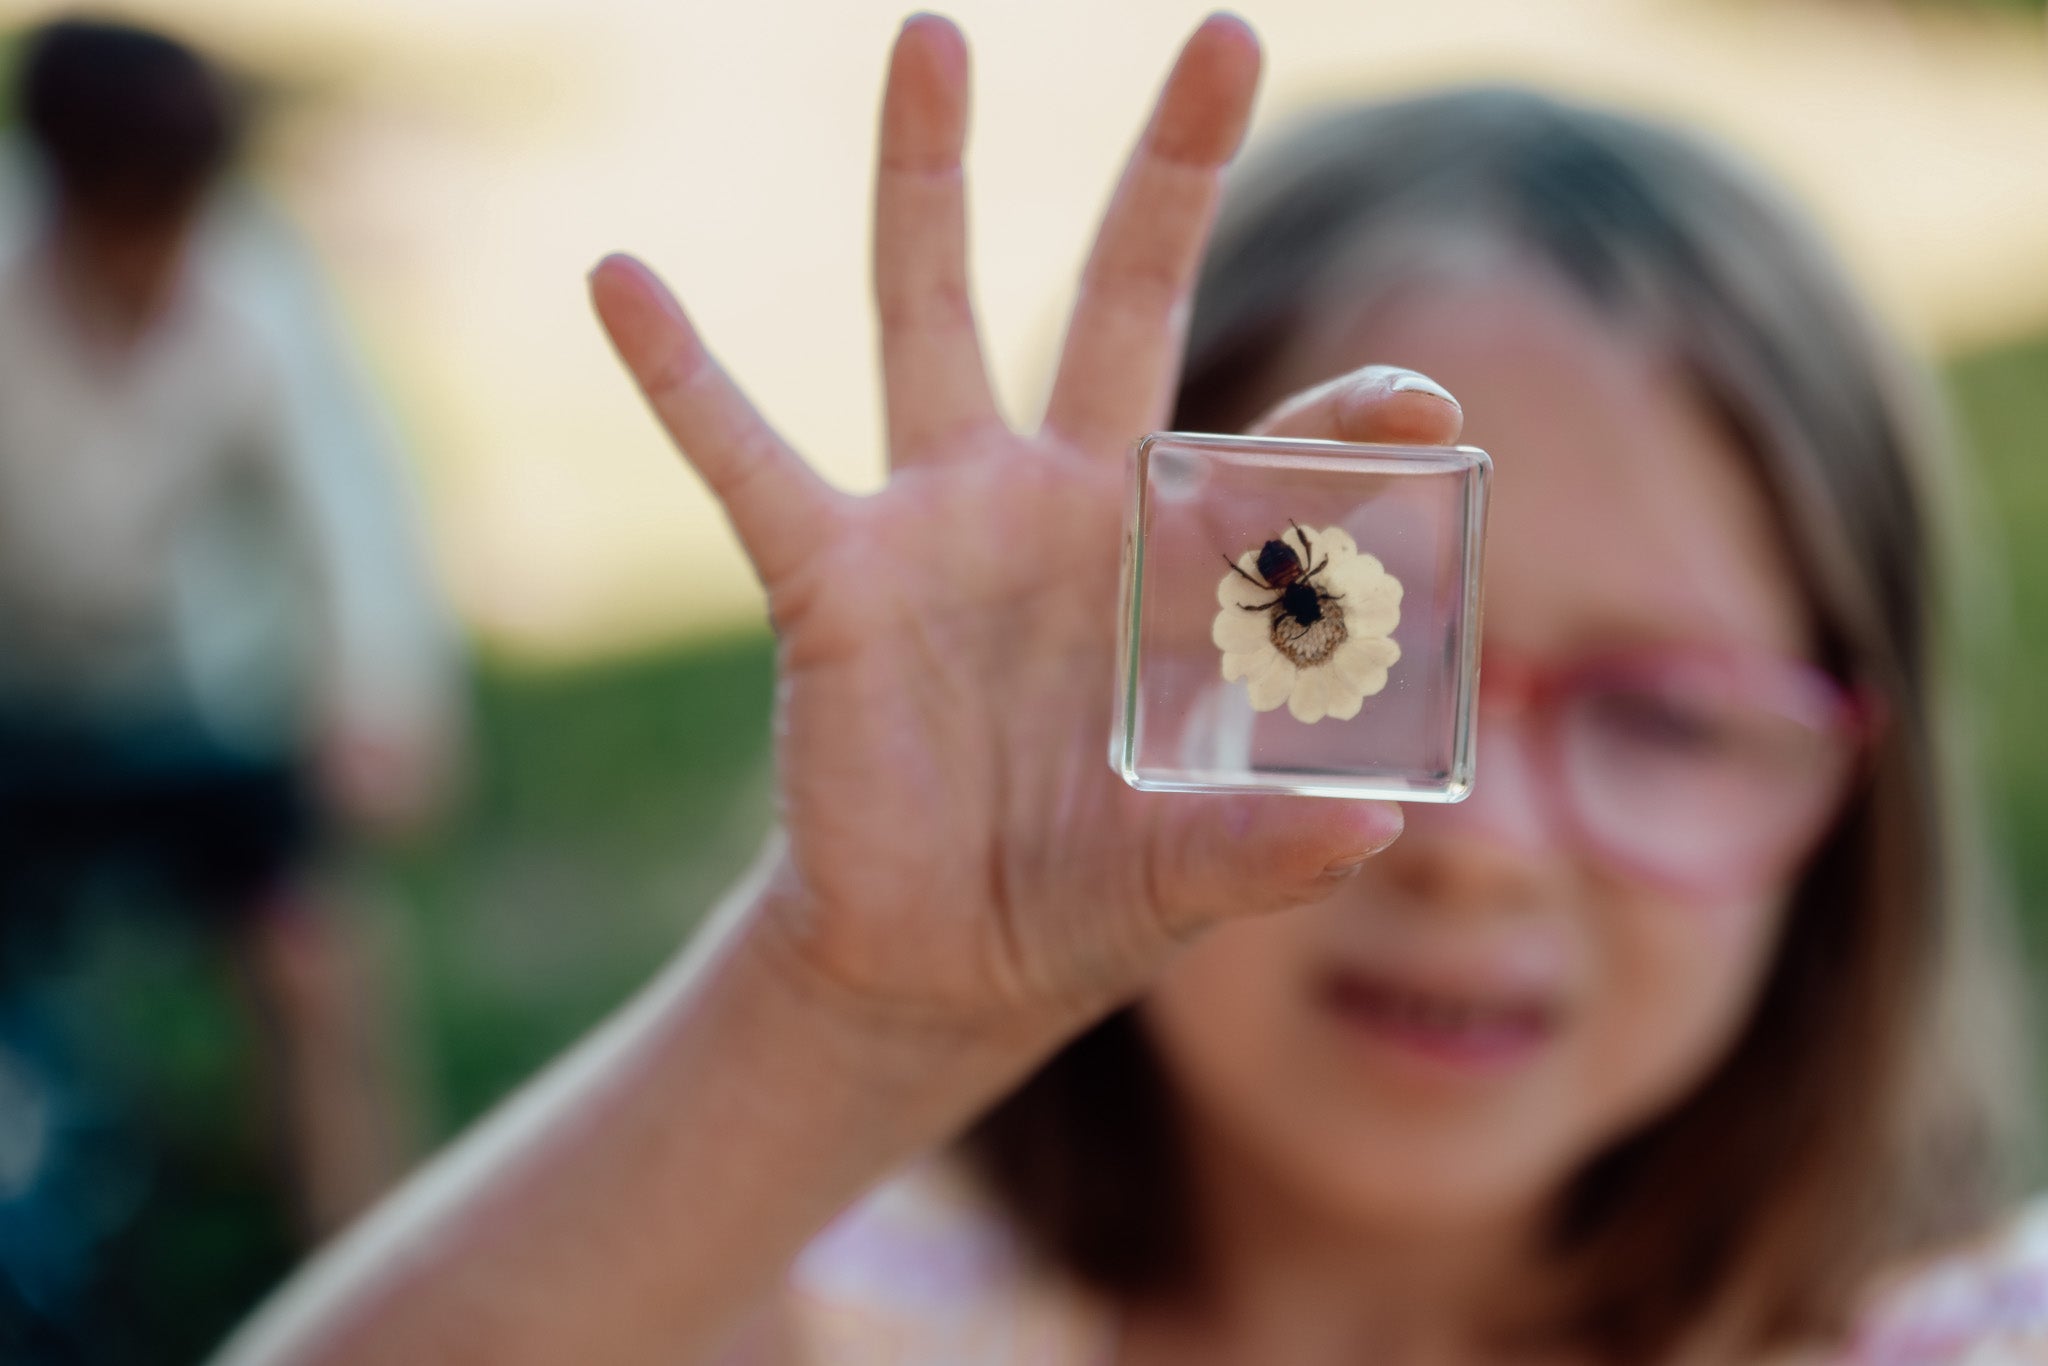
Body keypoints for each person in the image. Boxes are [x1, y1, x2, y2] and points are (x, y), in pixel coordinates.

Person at [212, 14, 2046, 1364]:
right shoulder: (839, 1310)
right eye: (1323, 637)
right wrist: (837, 1019)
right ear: (1111, 657)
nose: (1468, 847)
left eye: (1664, 713)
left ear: (1851, 800)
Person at [0, 19, 460, 1351]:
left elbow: (346, 517)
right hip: (18, 713)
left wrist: (377, 706)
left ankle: (376, 1278)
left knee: (317, 959)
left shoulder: (255, 293)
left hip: (187, 713)